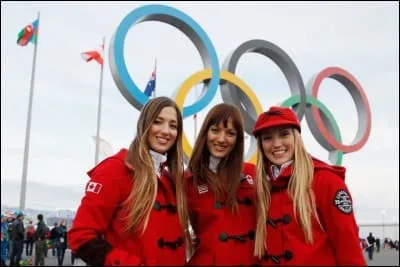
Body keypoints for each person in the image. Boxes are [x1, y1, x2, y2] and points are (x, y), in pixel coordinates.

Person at [68, 96, 190, 266]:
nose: (165, 131)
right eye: (158, 121)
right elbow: (81, 236)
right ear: (144, 125)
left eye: (173, 126)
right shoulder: (115, 169)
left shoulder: (170, 180)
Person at [252, 106, 366, 265]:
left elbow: (349, 249)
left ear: (296, 137)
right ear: (261, 145)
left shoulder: (326, 181)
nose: (276, 144)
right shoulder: (262, 188)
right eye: (267, 138)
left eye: (284, 134)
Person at [185, 103, 257, 266]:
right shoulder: (188, 181)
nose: (221, 139)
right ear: (205, 132)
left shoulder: (254, 174)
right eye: (215, 130)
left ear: (238, 139)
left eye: (230, 133)